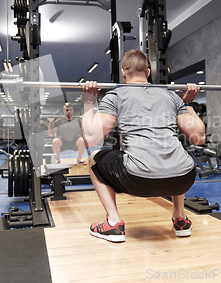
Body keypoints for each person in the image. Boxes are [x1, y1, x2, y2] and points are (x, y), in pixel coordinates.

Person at [81, 49, 205, 243]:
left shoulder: (115, 96)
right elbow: (198, 137)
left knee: (93, 159)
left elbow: (91, 138)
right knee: (175, 154)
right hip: (184, 178)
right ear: (148, 72)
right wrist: (187, 104)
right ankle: (180, 218)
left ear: (123, 73)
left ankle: (113, 223)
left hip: (138, 180)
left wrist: (89, 103)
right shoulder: (172, 97)